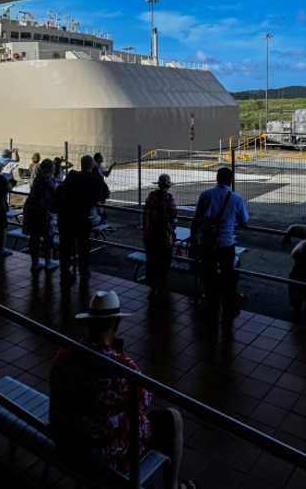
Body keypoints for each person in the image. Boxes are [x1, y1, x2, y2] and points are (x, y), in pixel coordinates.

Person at [49, 291, 189, 489]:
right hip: (101, 455)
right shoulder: (122, 366)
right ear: (116, 324)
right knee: (173, 418)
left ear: (89, 323)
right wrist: (118, 354)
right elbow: (145, 401)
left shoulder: (63, 356)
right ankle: (173, 486)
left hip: (67, 442)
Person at [190, 167, 250, 324]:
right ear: (230, 180)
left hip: (208, 243)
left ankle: (210, 303)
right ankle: (228, 307)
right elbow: (244, 220)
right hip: (226, 243)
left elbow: (196, 219)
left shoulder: (206, 195)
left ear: (216, 178)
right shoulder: (237, 198)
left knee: (208, 274)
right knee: (228, 276)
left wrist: (194, 239)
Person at [57, 155, 110, 285]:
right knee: (83, 247)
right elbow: (104, 195)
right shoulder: (94, 180)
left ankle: (65, 273)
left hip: (65, 217)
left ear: (81, 165)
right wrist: (97, 176)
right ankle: (84, 272)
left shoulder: (71, 175)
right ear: (92, 166)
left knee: (66, 247)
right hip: (81, 218)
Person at [142, 174, 178, 301]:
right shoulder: (169, 198)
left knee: (152, 261)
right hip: (164, 236)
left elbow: (146, 210)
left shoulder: (151, 196)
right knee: (164, 263)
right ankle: (162, 288)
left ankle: (153, 288)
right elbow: (174, 213)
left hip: (151, 235)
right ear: (168, 185)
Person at [23, 158, 59, 272]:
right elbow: (53, 197)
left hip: (31, 211)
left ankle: (35, 264)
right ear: (50, 168)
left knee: (34, 238)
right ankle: (48, 262)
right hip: (43, 213)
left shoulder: (37, 179)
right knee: (48, 238)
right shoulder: (48, 181)